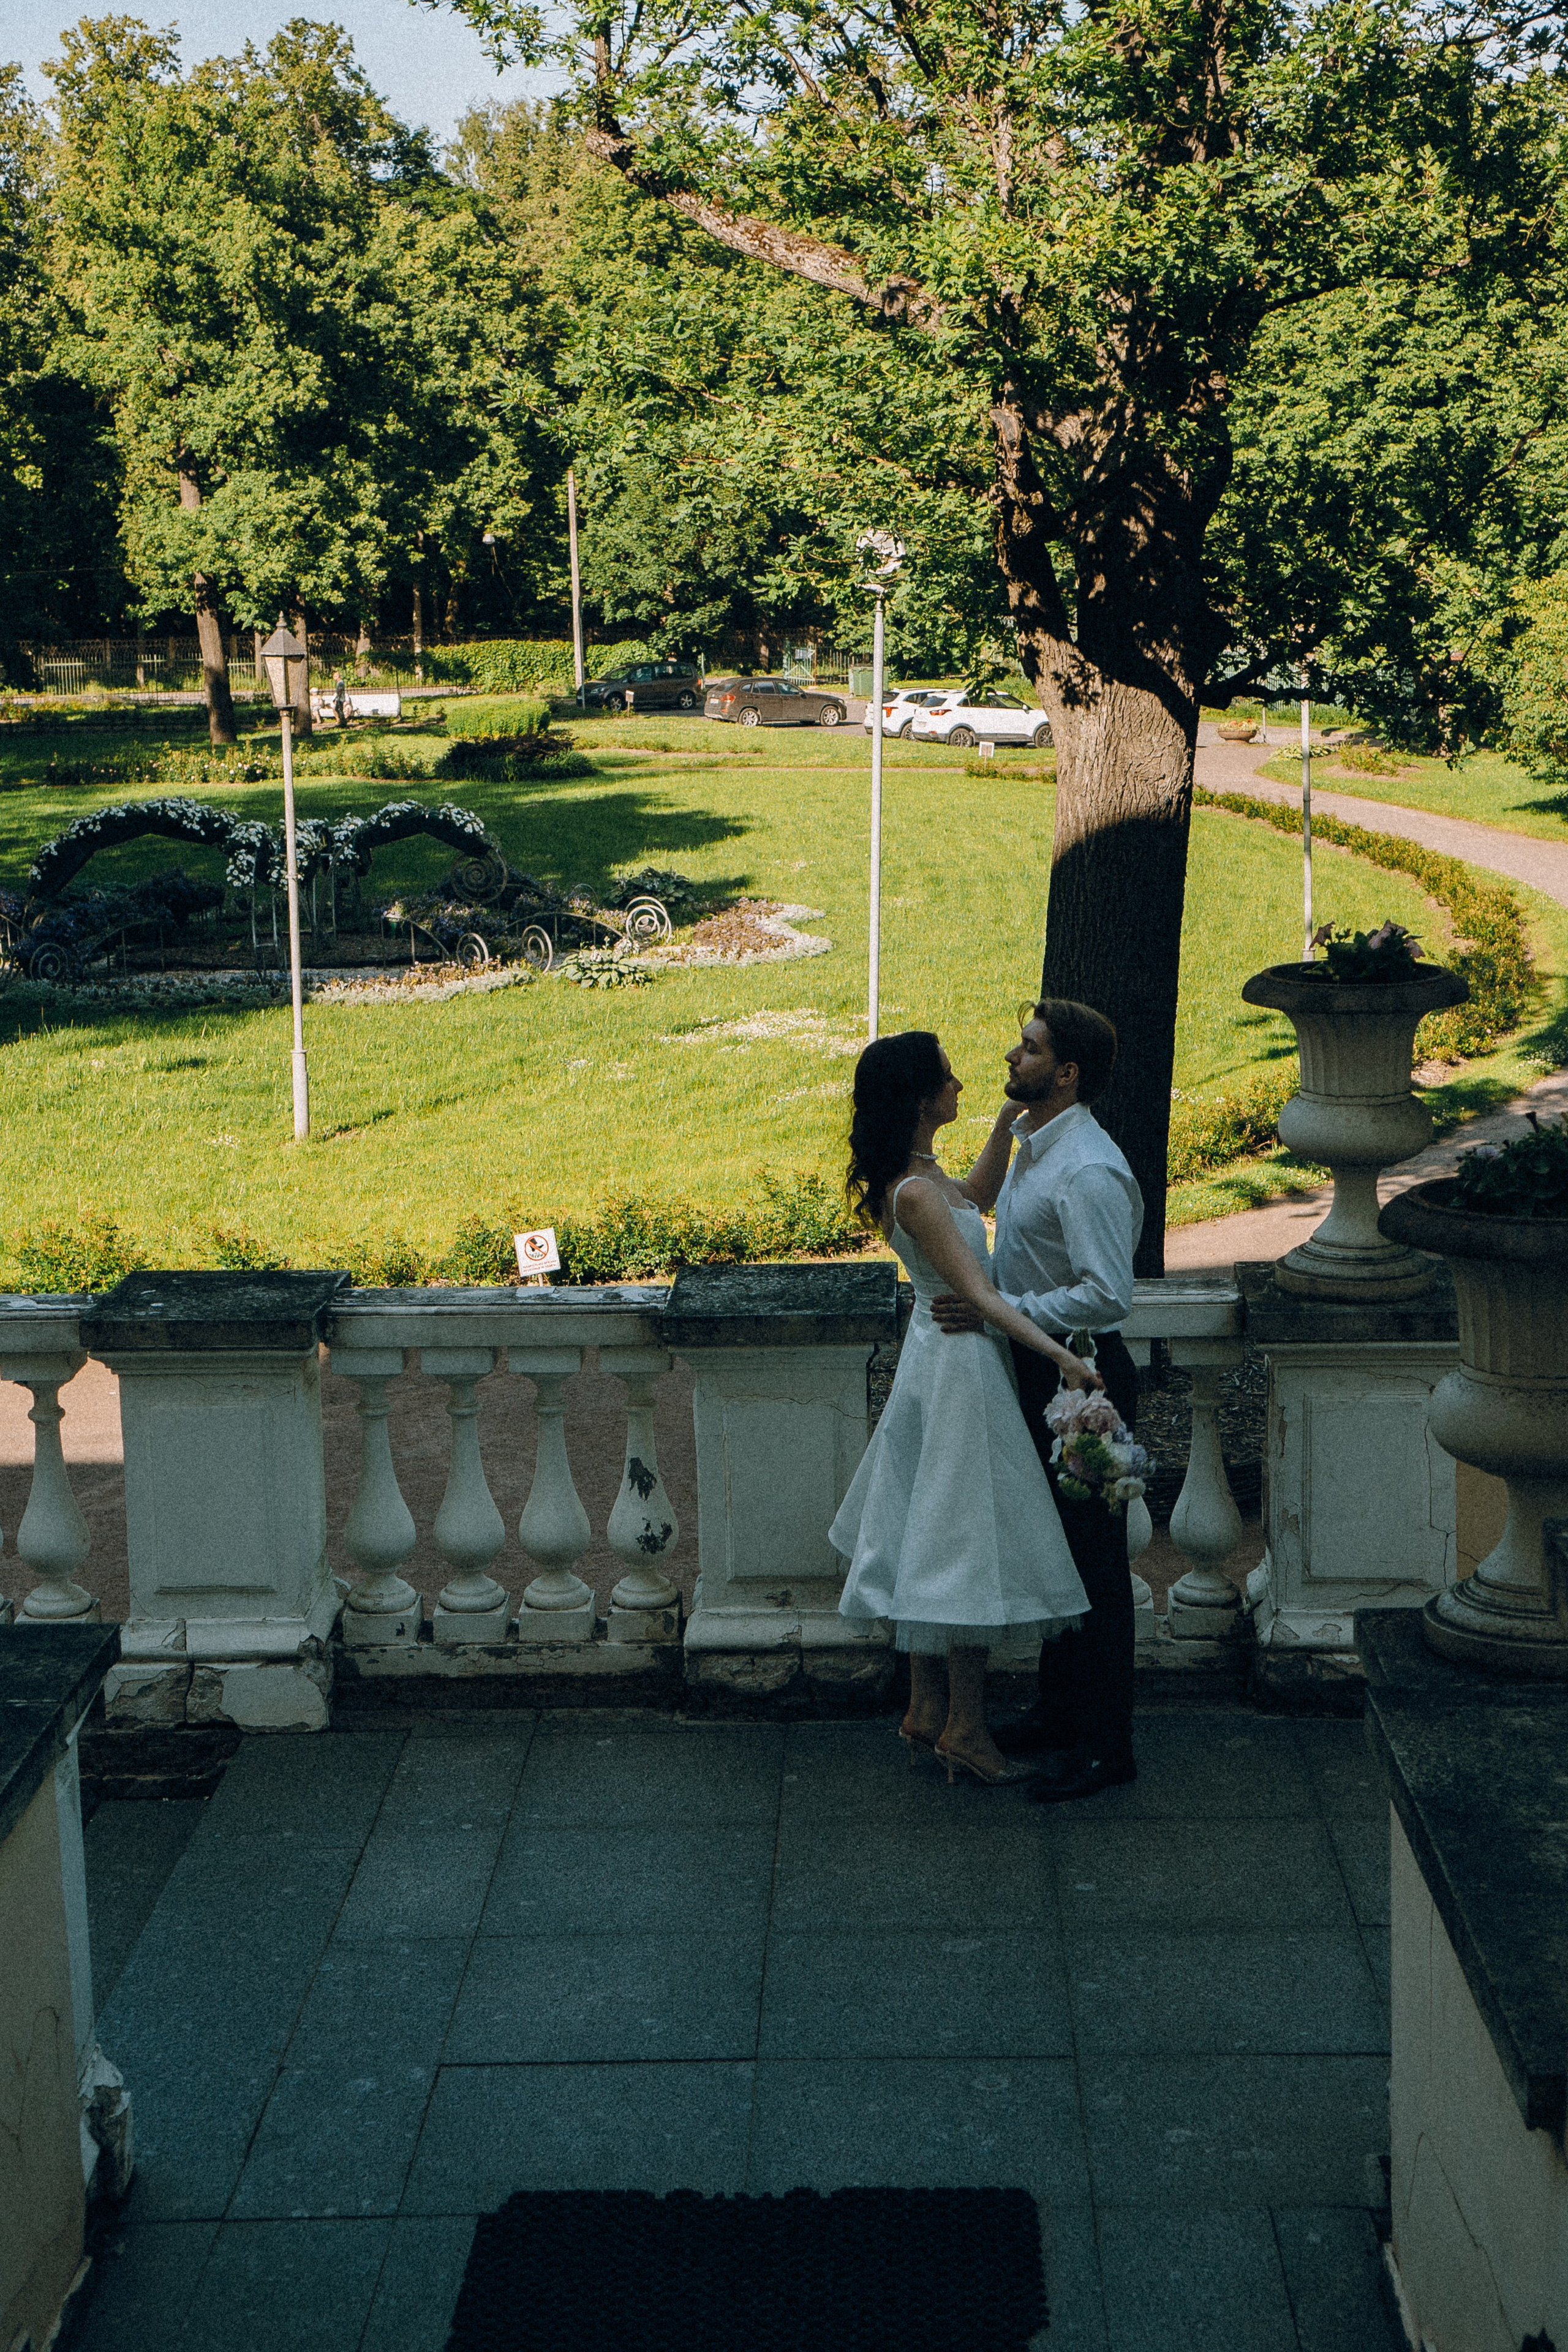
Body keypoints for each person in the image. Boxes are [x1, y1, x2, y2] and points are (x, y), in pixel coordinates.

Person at [832, 1030, 1101, 1787]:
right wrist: (1062, 1355)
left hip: (936, 1363)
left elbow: (973, 1200)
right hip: (958, 1372)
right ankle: (967, 1728)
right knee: (968, 1546)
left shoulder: (920, 1176)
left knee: (928, 1535)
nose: (962, 1086)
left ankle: (927, 1710)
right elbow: (978, 1295)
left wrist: (1001, 1131)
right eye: (948, 1081)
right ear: (921, 1098)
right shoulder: (914, 1193)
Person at [930, 1000, 1143, 1803]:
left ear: (1068, 1073)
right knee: (1060, 1553)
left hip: (1087, 1388)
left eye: (1029, 1049)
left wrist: (1001, 1312)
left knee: (1096, 1564)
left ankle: (1104, 1746)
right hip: (1038, 1373)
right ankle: (1060, 1716)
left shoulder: (1087, 1168)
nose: (1012, 1058)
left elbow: (1106, 1295)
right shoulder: (1031, 1140)